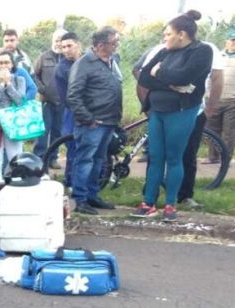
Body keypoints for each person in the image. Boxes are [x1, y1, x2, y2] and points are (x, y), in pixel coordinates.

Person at [132, 11, 213, 221]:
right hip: (157, 111)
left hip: (181, 112)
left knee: (174, 158)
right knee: (155, 157)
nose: (164, 37)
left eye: (168, 33)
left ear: (182, 34)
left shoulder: (202, 51)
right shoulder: (164, 52)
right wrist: (174, 84)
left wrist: (160, 73)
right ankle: (148, 203)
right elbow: (145, 78)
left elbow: (185, 76)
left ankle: (170, 204)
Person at [66, 26, 123, 215]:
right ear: (100, 45)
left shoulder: (111, 61)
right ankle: (80, 199)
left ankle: (92, 195)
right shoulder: (84, 63)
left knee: (99, 160)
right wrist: (88, 119)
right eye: (114, 42)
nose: (117, 45)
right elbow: (73, 95)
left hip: (108, 121)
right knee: (85, 160)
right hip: (93, 123)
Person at [0, 51, 28, 184]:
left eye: (6, 62)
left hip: (13, 126)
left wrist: (9, 84)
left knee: (16, 160)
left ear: (12, 64)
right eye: (0, 62)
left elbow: (20, 101)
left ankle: (17, 189)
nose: (3, 65)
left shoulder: (20, 80)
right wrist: (1, 85)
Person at [33, 29, 67, 169]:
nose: (59, 43)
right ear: (52, 41)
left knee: (57, 132)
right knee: (43, 131)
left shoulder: (68, 58)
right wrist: (42, 89)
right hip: (46, 101)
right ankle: (39, 159)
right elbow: (34, 75)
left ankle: (53, 158)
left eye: (62, 40)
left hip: (63, 102)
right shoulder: (43, 57)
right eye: (57, 40)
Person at [55, 32, 83, 188]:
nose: (66, 50)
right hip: (72, 112)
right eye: (63, 47)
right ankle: (70, 181)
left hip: (91, 110)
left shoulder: (87, 61)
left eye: (69, 46)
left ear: (78, 44)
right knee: (73, 146)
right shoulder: (63, 68)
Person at [205, 30, 235, 166]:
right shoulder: (217, 56)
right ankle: (212, 157)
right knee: (212, 130)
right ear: (226, 42)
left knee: (229, 132)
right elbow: (209, 76)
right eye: (232, 40)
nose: (234, 43)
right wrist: (208, 94)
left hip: (232, 100)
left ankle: (225, 159)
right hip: (214, 99)